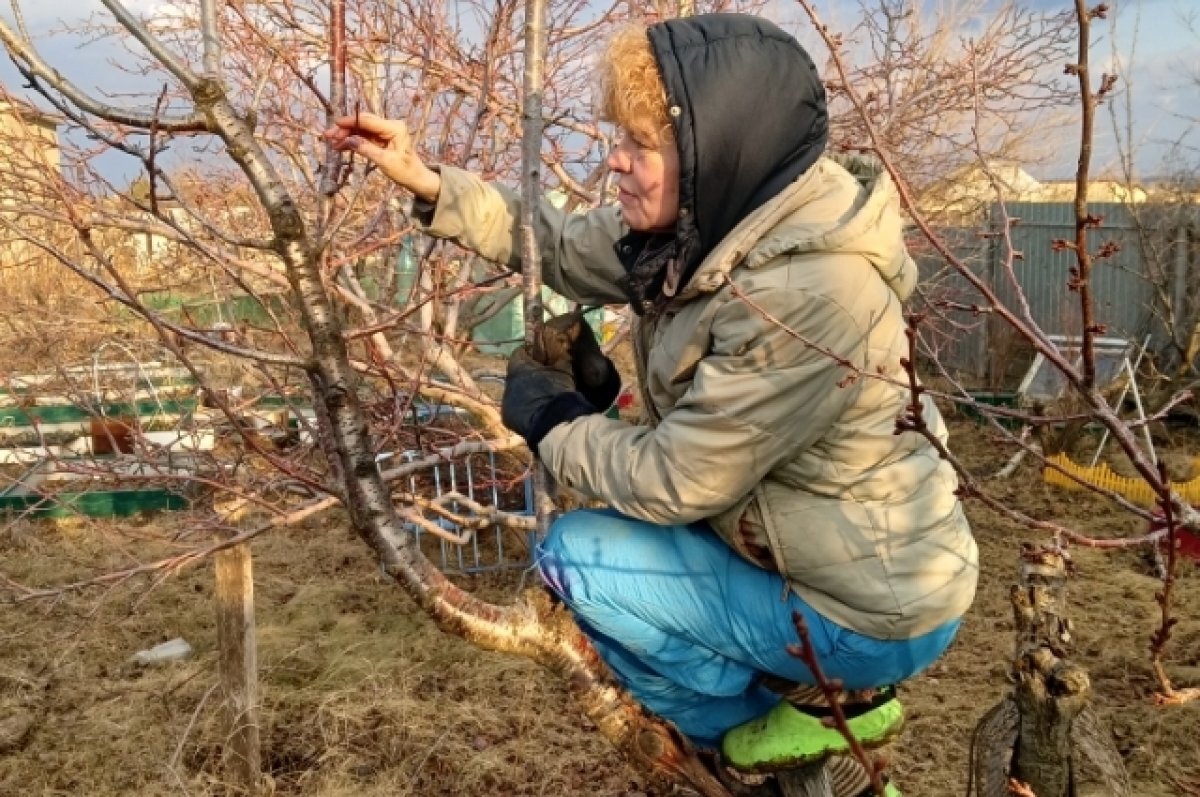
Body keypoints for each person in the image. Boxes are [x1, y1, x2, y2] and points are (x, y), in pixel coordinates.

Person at [326, 13, 978, 793]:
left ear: (716, 151)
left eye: (641, 144)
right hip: (802, 557)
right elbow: (563, 245)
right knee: (605, 560)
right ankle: (802, 715)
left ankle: (748, 737)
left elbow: (681, 480)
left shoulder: (814, 290)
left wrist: (555, 422)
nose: (616, 162)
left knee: (579, 560)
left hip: (868, 608)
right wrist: (432, 184)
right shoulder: (705, 227)